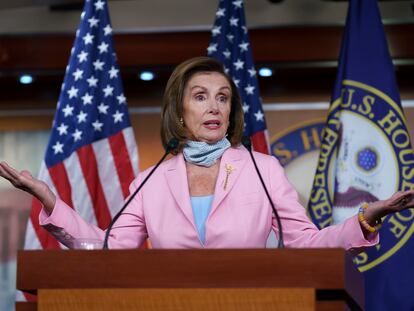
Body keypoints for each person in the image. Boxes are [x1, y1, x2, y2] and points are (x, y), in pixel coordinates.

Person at [0, 56, 413, 250]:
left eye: (223, 98)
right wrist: (50, 200)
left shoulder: (262, 169)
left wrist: (365, 217)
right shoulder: (150, 179)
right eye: (200, 97)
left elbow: (307, 243)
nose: (214, 106)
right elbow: (107, 250)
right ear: (180, 110)